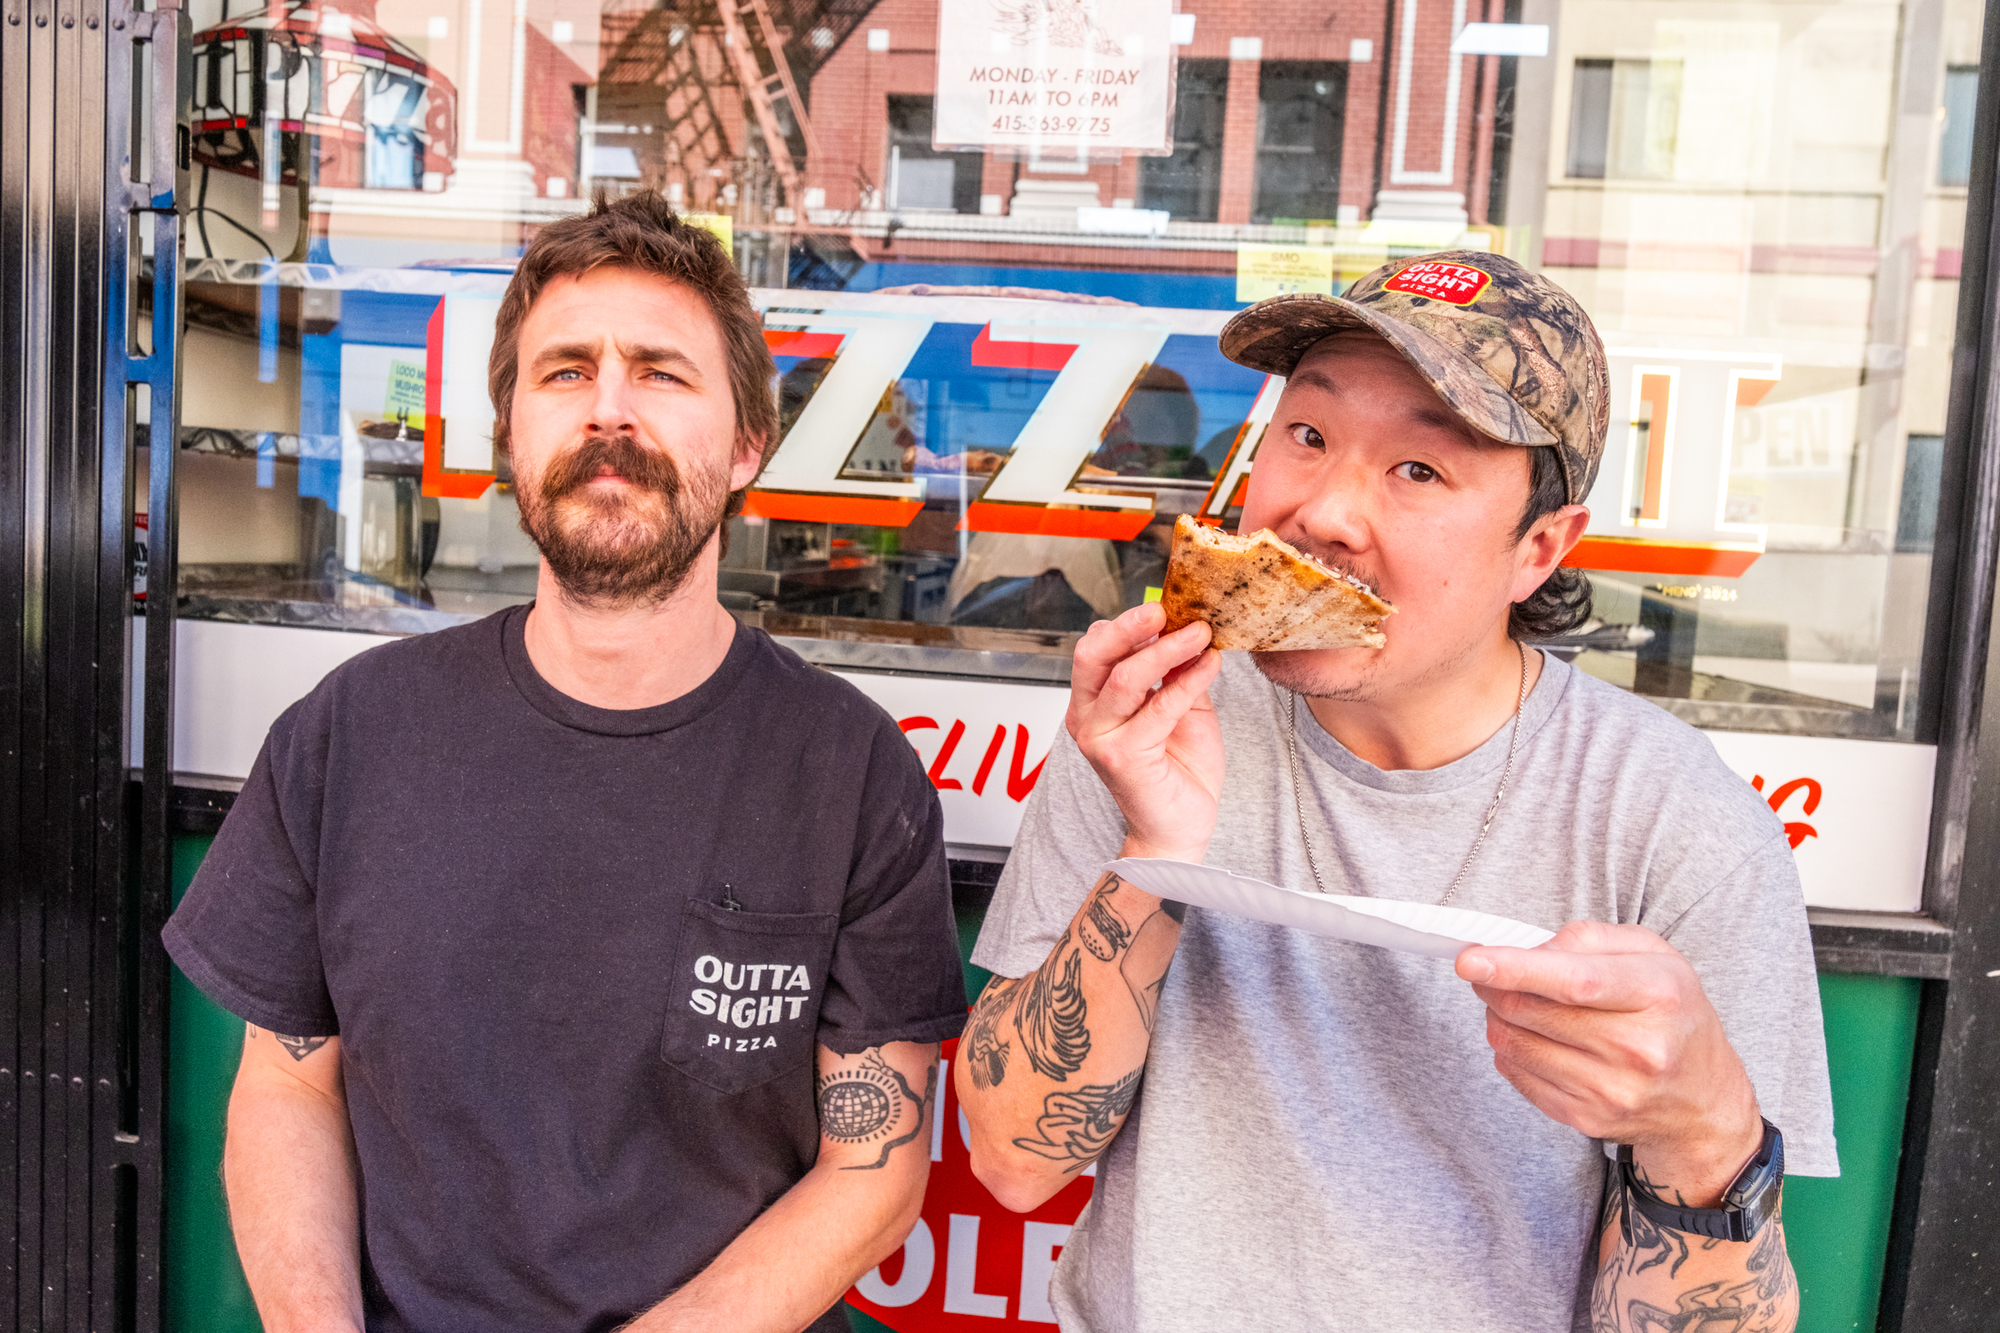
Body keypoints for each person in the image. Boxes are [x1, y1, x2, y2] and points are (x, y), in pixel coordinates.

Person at [955, 252, 1835, 1332]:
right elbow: (1012, 1161)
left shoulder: (1669, 823)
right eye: (1307, 434)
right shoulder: (1159, 721)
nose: (1321, 512)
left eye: (1418, 469)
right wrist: (1157, 850)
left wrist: (1703, 1130)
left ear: (1539, 550)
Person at [163, 193, 968, 1333]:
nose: (607, 411)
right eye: (563, 372)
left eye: (660, 373)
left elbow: (872, 1172)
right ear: (508, 435)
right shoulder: (351, 734)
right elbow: (290, 1084)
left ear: (746, 445)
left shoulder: (847, 773)